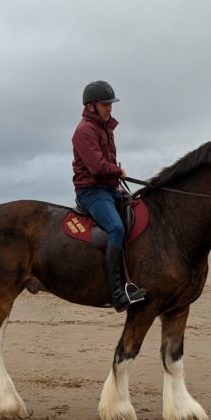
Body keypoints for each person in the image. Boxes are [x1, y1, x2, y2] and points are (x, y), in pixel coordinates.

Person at [72, 80, 146, 312]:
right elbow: (97, 166)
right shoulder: (85, 130)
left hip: (108, 188)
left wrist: (116, 180)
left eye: (111, 104)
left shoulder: (105, 127)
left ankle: (131, 280)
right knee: (116, 228)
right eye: (105, 104)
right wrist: (118, 171)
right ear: (92, 106)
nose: (110, 108)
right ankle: (117, 294)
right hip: (91, 191)